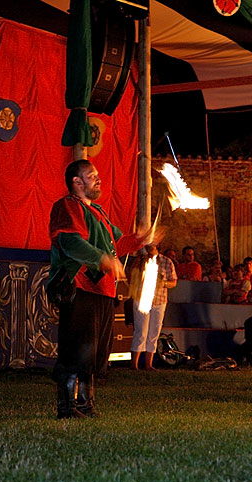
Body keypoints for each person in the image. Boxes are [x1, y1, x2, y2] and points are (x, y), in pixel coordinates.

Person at [47, 159, 153, 418]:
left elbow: (119, 243)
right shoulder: (67, 206)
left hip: (103, 291)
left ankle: (85, 405)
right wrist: (102, 259)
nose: (98, 178)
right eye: (91, 175)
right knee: (77, 349)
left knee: (93, 352)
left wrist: (142, 239)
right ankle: (66, 407)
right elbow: (70, 242)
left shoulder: (99, 213)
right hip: (80, 287)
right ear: (77, 181)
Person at [129, 244, 177, 371]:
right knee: (141, 331)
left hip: (159, 300)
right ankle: (134, 364)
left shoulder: (166, 262)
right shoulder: (140, 260)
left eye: (152, 246)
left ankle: (148, 364)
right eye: (147, 246)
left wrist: (164, 283)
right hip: (142, 298)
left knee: (154, 332)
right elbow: (131, 276)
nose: (150, 248)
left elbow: (174, 281)